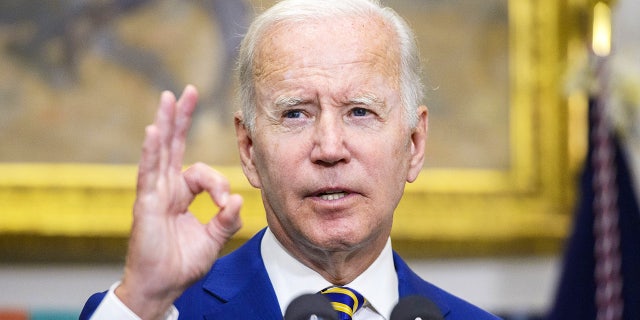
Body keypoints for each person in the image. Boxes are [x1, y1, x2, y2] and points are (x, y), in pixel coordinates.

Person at [80, 0, 501, 319]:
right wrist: (145, 299)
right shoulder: (156, 311)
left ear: (414, 143)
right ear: (248, 149)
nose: (331, 149)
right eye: (295, 113)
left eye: (360, 111)